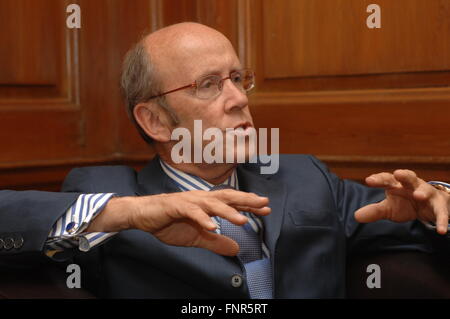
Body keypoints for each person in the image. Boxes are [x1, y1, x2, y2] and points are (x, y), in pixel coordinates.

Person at [1, 22, 449, 298]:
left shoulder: (304, 176)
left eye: (238, 78)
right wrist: (127, 213)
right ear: (155, 120)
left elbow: (414, 216)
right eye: (209, 84)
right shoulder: (111, 195)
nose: (238, 99)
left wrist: (435, 204)